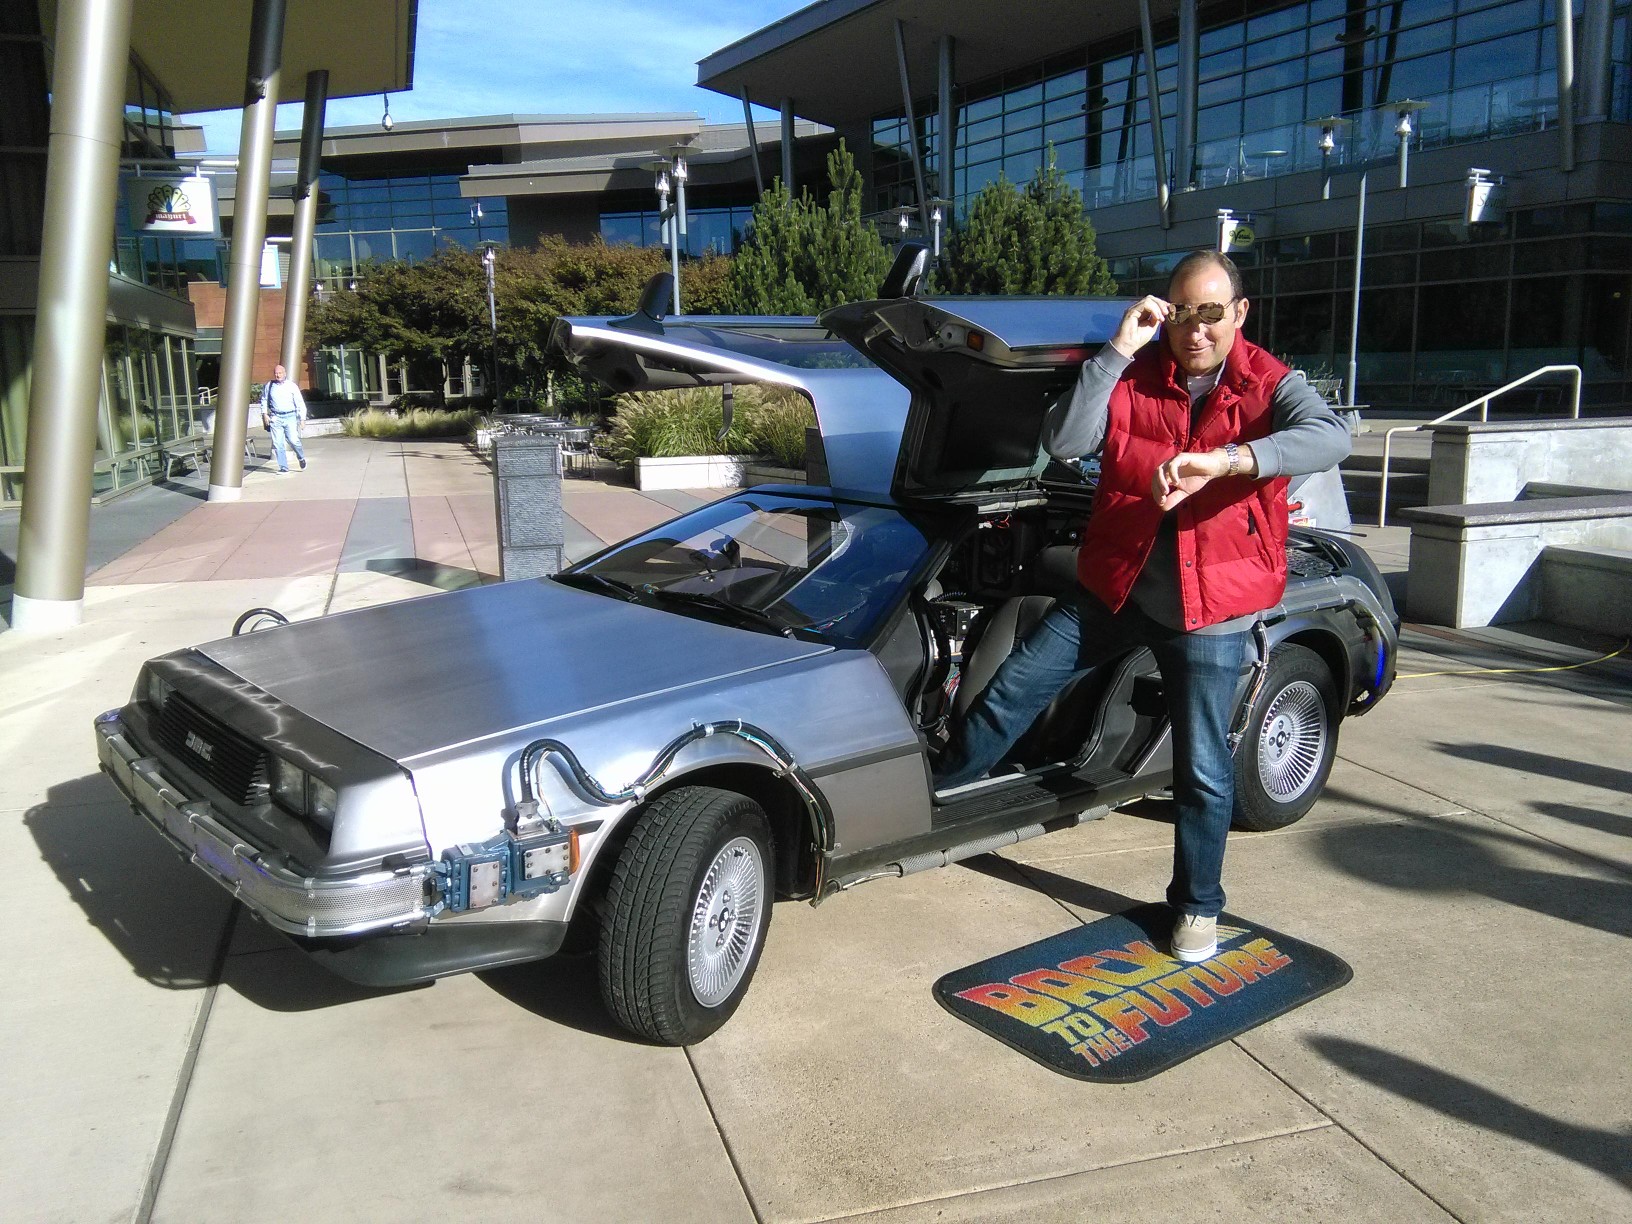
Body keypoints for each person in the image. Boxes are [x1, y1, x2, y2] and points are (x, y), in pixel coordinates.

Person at [933, 249, 1351, 964]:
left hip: (1210, 610)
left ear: (1239, 315)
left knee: (1203, 768)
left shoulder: (1266, 383)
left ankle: (1197, 908)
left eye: (1212, 314)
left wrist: (1228, 461)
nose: (1196, 330)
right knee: (1016, 686)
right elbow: (1064, 441)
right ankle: (941, 802)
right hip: (1118, 587)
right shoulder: (1135, 374)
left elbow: (1332, 435)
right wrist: (1118, 348)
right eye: (1183, 313)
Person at [260, 363, 308, 473]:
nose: (278, 375)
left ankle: (301, 457)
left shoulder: (291, 386)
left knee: (293, 440)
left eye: (280, 373)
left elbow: (300, 403)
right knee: (277, 443)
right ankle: (283, 467)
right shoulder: (269, 385)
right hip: (276, 417)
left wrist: (302, 419)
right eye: (276, 373)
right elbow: (264, 399)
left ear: (285, 373)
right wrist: (264, 413)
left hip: (290, 417)